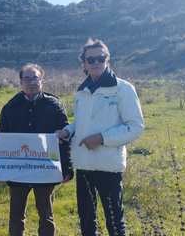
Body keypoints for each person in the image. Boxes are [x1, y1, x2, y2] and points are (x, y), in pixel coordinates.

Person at [57, 39, 144, 236]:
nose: (96, 62)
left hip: (108, 165)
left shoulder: (123, 88)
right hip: (84, 164)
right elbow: (82, 122)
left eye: (100, 58)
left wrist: (102, 138)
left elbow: (135, 127)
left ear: (107, 60)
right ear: (84, 64)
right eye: (91, 59)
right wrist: (68, 131)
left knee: (114, 220)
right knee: (86, 219)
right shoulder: (82, 91)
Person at [0, 63, 73, 236]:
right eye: (27, 79)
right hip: (18, 171)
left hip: (45, 169)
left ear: (42, 81)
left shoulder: (55, 105)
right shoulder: (10, 107)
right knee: (16, 215)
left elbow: (65, 137)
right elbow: (2, 140)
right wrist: (1, 170)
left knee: (46, 215)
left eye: (35, 78)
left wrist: (67, 167)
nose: (31, 82)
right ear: (20, 82)